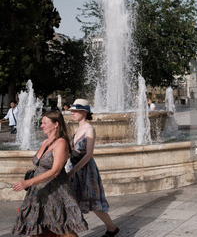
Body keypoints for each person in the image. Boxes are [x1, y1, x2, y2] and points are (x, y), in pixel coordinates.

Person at [12, 111, 88, 236]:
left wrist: (28, 182)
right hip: (40, 190)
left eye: (44, 123)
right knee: (37, 226)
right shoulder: (44, 143)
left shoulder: (61, 143)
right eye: (41, 123)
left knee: (64, 228)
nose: (41, 126)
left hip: (56, 191)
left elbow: (55, 171)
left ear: (56, 124)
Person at [68, 99, 120, 237]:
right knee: (72, 199)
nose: (72, 113)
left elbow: (89, 154)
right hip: (74, 167)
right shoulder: (76, 128)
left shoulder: (89, 129)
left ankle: (111, 227)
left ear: (84, 112)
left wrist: (73, 170)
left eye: (75, 110)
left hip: (86, 170)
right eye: (72, 110)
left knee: (93, 201)